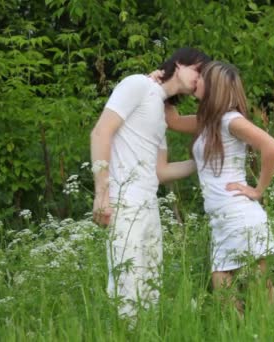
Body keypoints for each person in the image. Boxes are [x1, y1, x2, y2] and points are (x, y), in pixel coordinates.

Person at [90, 47, 211, 320]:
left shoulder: (161, 110)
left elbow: (161, 171)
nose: (198, 79)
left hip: (149, 204)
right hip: (124, 200)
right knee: (126, 288)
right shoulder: (137, 84)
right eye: (197, 70)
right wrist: (102, 192)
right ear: (179, 64)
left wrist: (202, 161)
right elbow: (100, 132)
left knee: (150, 289)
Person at [165, 61, 274, 313]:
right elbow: (171, 120)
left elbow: (271, 147)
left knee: (260, 295)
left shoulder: (230, 120)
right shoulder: (206, 122)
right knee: (227, 298)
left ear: (215, 86)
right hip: (221, 220)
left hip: (239, 215)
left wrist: (258, 190)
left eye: (201, 77)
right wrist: (164, 81)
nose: (196, 79)